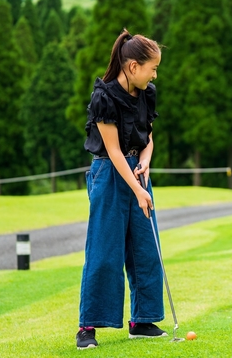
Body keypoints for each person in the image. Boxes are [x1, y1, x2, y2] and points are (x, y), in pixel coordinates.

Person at [76, 29, 166, 350]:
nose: (154, 73)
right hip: (110, 175)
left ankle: (142, 321)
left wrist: (146, 161)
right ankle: (87, 327)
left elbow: (148, 136)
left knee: (145, 249)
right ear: (132, 67)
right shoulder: (104, 97)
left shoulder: (147, 92)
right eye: (151, 67)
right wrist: (139, 189)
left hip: (137, 174)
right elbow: (113, 152)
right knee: (104, 252)